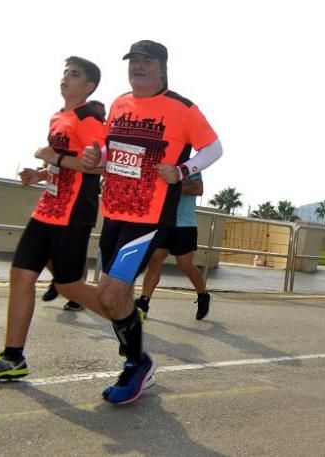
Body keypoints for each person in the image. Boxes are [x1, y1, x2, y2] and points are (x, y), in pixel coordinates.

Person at [80, 40, 222, 404]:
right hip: (113, 210)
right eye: (133, 61)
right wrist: (99, 155)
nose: (138, 67)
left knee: (113, 294)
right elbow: (112, 147)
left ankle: (137, 365)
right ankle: (137, 359)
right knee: (111, 296)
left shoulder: (182, 108)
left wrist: (182, 169)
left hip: (149, 216)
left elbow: (213, 148)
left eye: (146, 61)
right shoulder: (119, 103)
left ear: (162, 68)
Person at [0, 58, 107, 381]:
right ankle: (12, 357)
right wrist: (40, 173)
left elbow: (95, 167)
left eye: (75, 74)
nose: (66, 78)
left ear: (89, 86)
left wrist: (50, 156)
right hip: (48, 208)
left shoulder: (91, 117)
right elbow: (61, 164)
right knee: (21, 274)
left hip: (74, 210)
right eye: (65, 73)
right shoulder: (58, 117)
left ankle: (123, 316)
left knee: (70, 285)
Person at [136, 170, 211, 320]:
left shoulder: (191, 168)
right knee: (154, 260)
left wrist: (174, 187)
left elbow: (198, 189)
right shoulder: (162, 165)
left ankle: (203, 295)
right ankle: (143, 303)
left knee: (185, 265)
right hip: (163, 222)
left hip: (184, 225)